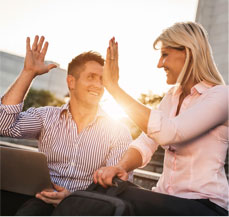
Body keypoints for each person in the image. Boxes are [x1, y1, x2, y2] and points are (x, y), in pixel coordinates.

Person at [93, 21, 229, 215]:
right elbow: (146, 143)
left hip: (205, 206)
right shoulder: (171, 97)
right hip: (166, 200)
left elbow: (170, 133)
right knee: (106, 189)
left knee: (118, 197)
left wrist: (114, 89)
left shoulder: (221, 96)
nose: (159, 64)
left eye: (165, 55)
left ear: (188, 52)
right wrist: (119, 167)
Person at [0, 35, 132, 215]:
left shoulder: (118, 131)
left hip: (85, 207)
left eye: (102, 80)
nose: (98, 85)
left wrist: (73, 197)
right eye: (91, 77)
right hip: (41, 200)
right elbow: (4, 125)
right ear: (71, 81)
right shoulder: (46, 117)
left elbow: (116, 186)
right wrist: (28, 73)